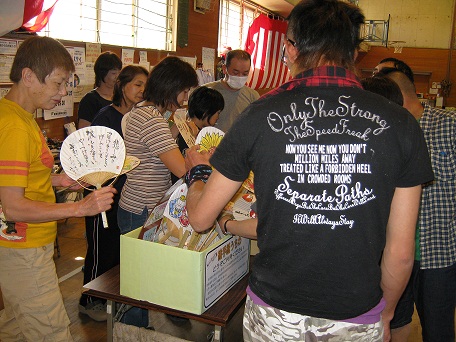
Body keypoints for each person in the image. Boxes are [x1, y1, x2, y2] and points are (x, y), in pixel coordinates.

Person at [184, 1, 434, 341]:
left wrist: (198, 174)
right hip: (356, 312)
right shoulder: (402, 125)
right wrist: (385, 314)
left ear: (289, 49)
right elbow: (401, 252)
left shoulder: (257, 117)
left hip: (275, 313)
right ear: (355, 52)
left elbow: (199, 219)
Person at [0, 36, 116, 342]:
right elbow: (12, 205)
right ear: (28, 76)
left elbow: (13, 178)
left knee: (14, 327)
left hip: (23, 245)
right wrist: (81, 208)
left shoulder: (18, 117)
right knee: (53, 333)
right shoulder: (14, 126)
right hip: (23, 248)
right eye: (58, 83)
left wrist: (59, 180)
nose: (64, 92)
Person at [117, 56, 199, 327]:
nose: (186, 97)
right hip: (140, 207)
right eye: (184, 90)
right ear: (170, 86)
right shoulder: (150, 119)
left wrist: (177, 125)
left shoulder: (148, 112)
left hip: (144, 204)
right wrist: (199, 158)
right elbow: (178, 167)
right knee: (137, 277)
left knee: (142, 272)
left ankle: (137, 325)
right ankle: (132, 329)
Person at [379, 66, 456, 342]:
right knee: (393, 322)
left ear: (397, 94)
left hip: (439, 255)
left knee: (438, 329)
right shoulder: (384, 130)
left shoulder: (448, 125)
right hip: (391, 254)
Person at [78, 65, 148, 321]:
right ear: (122, 85)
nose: (142, 90)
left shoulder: (141, 118)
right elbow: (91, 157)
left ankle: (110, 300)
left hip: (127, 197)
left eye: (144, 86)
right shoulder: (104, 117)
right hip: (102, 194)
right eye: (137, 84)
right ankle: (89, 301)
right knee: (99, 249)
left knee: (118, 252)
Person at [171, 86, 224, 183]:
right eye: (218, 112)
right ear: (206, 111)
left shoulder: (189, 130)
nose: (218, 117)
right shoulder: (188, 134)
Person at [204, 49, 259, 132]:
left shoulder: (253, 96)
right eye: (236, 72)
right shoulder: (206, 92)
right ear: (224, 69)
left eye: (245, 73)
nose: (240, 77)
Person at [77, 51, 122, 129]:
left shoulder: (121, 97)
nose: (118, 77)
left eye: (119, 72)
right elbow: (83, 130)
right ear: (102, 73)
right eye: (114, 73)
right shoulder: (90, 100)